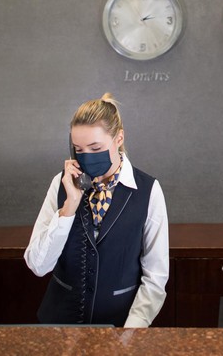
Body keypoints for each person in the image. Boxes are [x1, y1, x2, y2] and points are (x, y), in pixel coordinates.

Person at [24, 93, 169, 327]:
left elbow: (156, 276)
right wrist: (69, 206)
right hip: (59, 328)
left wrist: (130, 332)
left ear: (119, 138)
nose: (87, 157)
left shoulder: (148, 190)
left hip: (121, 329)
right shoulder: (60, 184)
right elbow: (38, 265)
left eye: (96, 147)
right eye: (78, 150)